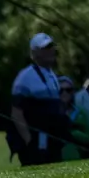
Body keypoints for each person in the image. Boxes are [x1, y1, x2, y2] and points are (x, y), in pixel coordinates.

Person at [7, 33, 66, 166]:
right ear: (35, 53)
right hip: (36, 142)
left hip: (53, 141)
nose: (50, 51)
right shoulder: (25, 77)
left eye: (51, 47)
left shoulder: (51, 75)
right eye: (45, 48)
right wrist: (29, 141)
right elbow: (17, 113)